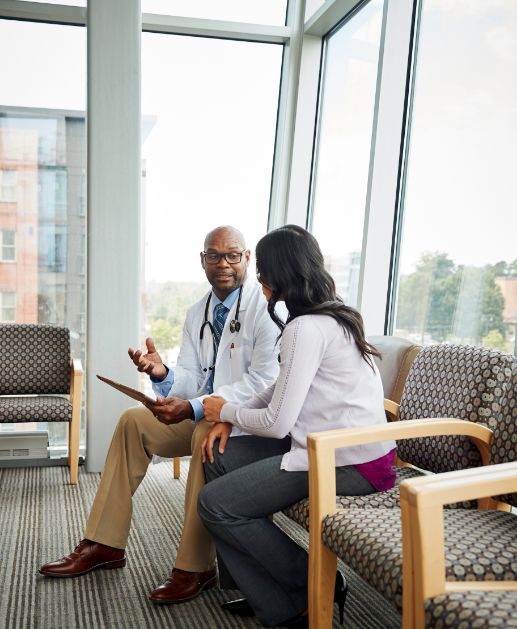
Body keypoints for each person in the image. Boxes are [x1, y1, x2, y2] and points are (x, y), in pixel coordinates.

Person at [39, 225, 284, 605]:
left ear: (247, 259)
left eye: (233, 255)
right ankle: (103, 542)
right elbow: (192, 376)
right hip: (205, 415)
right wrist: (164, 375)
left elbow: (264, 382)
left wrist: (197, 407)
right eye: (214, 255)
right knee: (133, 421)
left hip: (246, 427)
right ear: (202, 261)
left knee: (204, 433)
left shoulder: (267, 310)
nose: (224, 264)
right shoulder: (196, 313)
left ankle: (195, 567)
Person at [198, 225, 397, 628]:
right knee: (218, 458)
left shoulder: (304, 328)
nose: (259, 281)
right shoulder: (332, 316)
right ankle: (262, 588)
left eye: (262, 272)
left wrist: (227, 413)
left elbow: (275, 423)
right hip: (332, 446)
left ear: (279, 274)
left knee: (215, 505)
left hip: (348, 462)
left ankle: (310, 588)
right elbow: (278, 387)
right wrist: (228, 411)